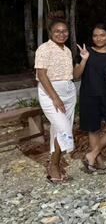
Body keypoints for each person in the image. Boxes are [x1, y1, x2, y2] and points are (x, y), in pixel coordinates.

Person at [76, 23, 106, 174]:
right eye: (95, 35)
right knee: (94, 129)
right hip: (89, 95)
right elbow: (76, 75)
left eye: (102, 35)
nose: (98, 38)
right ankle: (98, 162)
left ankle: (92, 153)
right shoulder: (86, 52)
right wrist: (84, 59)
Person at [35, 18, 76, 183]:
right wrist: (55, 97)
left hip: (69, 92)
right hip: (50, 93)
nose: (61, 34)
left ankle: (55, 162)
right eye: (57, 31)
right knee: (64, 129)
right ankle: (53, 165)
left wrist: (84, 60)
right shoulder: (44, 49)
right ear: (51, 32)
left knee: (58, 130)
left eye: (64, 31)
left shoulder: (67, 50)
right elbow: (41, 74)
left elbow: (73, 74)